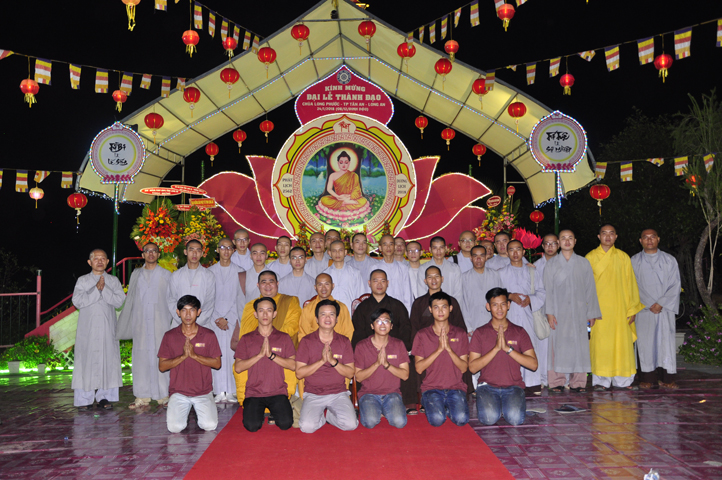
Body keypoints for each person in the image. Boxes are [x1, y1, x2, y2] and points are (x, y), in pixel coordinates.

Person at [586, 224, 645, 391]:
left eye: (611, 233)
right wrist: (588, 310)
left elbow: (631, 284)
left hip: (620, 310)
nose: (608, 236)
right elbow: (585, 287)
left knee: (621, 346)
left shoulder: (623, 257)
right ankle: (601, 381)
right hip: (599, 311)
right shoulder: (590, 257)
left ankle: (623, 381)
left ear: (616, 237)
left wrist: (632, 309)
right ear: (599, 236)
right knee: (600, 346)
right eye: (604, 233)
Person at [469, 288, 538, 426]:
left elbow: (533, 365)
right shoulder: (480, 333)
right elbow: (472, 368)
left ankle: (505, 406)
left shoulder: (519, 331)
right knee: (488, 418)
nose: (499, 309)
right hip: (487, 386)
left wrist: (508, 349)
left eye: (503, 304)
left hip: (513, 386)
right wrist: (496, 349)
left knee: (515, 419)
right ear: (488, 307)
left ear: (508, 305)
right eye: (495, 305)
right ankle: (499, 406)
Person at [116, 242, 172, 409]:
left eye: (154, 251)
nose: (151, 254)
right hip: (140, 324)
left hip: (160, 323)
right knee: (140, 358)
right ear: (142, 255)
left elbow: (171, 300)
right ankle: (142, 396)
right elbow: (131, 299)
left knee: (162, 356)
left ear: (158, 254)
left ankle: (163, 395)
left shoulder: (167, 275)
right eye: (147, 251)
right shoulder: (136, 274)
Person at [544, 230, 601, 393]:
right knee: (557, 346)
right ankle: (557, 381)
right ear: (558, 243)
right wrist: (549, 312)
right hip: (558, 311)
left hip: (579, 312)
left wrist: (591, 313)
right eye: (563, 238)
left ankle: (578, 382)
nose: (567, 241)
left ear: (575, 241)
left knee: (579, 346)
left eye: (570, 238)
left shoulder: (583, 263)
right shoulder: (552, 264)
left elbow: (591, 289)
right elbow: (548, 290)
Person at [232, 271, 301, 404]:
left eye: (271, 281)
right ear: (258, 285)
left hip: (282, 351)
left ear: (277, 284)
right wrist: (260, 349)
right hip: (255, 352)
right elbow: (245, 332)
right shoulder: (250, 306)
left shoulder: (290, 301)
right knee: (239, 367)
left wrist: (271, 341)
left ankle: (283, 401)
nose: (268, 285)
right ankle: (250, 401)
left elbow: (292, 327)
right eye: (264, 282)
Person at [409, 265, 468, 413]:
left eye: (436, 276)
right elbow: (414, 327)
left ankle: (458, 396)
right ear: (425, 280)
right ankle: (426, 399)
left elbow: (460, 325)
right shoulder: (419, 303)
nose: (433, 280)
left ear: (442, 279)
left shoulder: (451, 301)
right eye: (430, 277)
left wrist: (452, 343)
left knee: (461, 418)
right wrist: (417, 347)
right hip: (425, 344)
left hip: (452, 342)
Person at [158, 295, 221, 433]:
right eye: (184, 310)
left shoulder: (208, 335)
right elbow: (162, 366)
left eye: (192, 310)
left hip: (203, 392)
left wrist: (194, 356)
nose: (187, 314)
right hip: (179, 392)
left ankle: (201, 411)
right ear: (178, 312)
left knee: (210, 425)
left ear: (198, 312)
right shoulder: (170, 336)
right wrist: (183, 356)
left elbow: (217, 364)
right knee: (175, 428)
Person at [72, 249, 126, 411]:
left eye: (103, 258)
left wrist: (104, 289)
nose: (100, 261)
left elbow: (119, 301)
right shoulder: (82, 280)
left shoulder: (113, 281)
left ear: (108, 262)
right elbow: (78, 302)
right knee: (85, 362)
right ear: (90, 262)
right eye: (96, 259)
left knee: (108, 362)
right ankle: (84, 399)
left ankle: (105, 397)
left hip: (107, 330)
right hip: (87, 331)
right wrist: (96, 289)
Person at [234, 297, 296, 432]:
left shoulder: (284, 337)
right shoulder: (246, 338)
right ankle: (259, 414)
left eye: (269, 310)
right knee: (252, 426)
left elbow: (293, 365)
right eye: (261, 311)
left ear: (274, 314)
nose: (265, 314)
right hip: (254, 392)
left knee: (285, 424)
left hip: (278, 391)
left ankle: (273, 411)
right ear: (255, 314)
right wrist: (259, 355)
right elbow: (238, 368)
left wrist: (271, 356)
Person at [296, 299, 358, 433]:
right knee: (307, 427)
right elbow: (299, 373)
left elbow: (350, 373)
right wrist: (321, 361)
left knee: (351, 425)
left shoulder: (344, 341)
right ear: (317, 319)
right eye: (323, 314)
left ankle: (330, 416)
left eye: (332, 314)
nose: (328, 318)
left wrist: (333, 361)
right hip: (314, 393)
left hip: (338, 393)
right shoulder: (306, 341)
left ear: (337, 319)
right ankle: (321, 418)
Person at [631, 228, 681, 390]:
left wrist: (661, 303)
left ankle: (667, 378)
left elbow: (675, 284)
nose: (649, 240)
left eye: (652, 237)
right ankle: (647, 378)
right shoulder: (634, 261)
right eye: (645, 237)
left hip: (664, 309)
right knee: (645, 344)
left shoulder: (669, 260)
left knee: (665, 344)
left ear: (658, 239)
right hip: (644, 309)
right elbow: (631, 285)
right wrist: (648, 303)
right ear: (640, 241)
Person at [497, 239, 547, 392]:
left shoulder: (532, 271)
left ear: (523, 252)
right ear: (507, 252)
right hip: (509, 315)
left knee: (529, 346)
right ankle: (511, 381)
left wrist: (531, 299)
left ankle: (532, 383)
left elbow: (541, 292)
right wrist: (509, 296)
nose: (515, 253)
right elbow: (495, 294)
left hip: (528, 315)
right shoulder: (500, 273)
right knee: (509, 346)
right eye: (511, 250)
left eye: (518, 249)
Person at [354, 309, 410, 429]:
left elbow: (405, 375)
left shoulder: (398, 344)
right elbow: (358, 377)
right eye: (378, 321)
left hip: (392, 394)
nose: (383, 324)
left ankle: (384, 409)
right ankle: (378, 409)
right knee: (370, 422)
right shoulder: (361, 346)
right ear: (372, 326)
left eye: (386, 321)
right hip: (369, 394)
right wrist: (377, 363)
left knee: (400, 422)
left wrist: (387, 365)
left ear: (391, 326)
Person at [207, 238, 245, 403]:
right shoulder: (209, 272)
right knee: (214, 353)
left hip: (232, 320)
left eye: (230, 248)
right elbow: (207, 298)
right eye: (223, 247)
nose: (226, 251)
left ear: (234, 250)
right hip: (213, 320)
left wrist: (228, 318)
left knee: (230, 354)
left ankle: (230, 390)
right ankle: (217, 390)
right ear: (217, 250)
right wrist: (217, 318)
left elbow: (240, 298)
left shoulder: (240, 272)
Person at [167, 240, 215, 327]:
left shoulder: (209, 276)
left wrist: (195, 323)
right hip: (179, 324)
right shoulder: (176, 275)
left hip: (201, 325)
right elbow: (171, 300)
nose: (194, 254)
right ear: (185, 252)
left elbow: (209, 303)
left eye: (198, 250)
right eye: (191, 250)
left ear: (202, 253)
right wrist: (183, 321)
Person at [316, 151, 371, 222]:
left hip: (350, 198)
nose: (343, 165)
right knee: (324, 199)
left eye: (346, 162)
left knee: (363, 201)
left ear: (349, 163)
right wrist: (338, 196)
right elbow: (329, 189)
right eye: (341, 162)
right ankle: (345, 203)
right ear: (338, 163)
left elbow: (357, 190)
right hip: (338, 198)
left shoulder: (354, 175)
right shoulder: (333, 175)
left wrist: (349, 197)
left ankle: (344, 203)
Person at [298, 273, 354, 342]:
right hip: (314, 346)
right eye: (320, 285)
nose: (323, 288)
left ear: (333, 286)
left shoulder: (342, 307)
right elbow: (303, 335)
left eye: (327, 284)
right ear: (315, 287)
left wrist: (340, 346)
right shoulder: (308, 309)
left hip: (338, 345)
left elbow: (349, 332)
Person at [461, 245, 502, 335]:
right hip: (473, 323)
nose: (478, 259)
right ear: (471, 258)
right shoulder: (464, 277)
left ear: (486, 257)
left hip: (494, 322)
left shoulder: (495, 275)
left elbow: (501, 299)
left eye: (482, 256)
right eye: (475, 256)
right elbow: (463, 304)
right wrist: (468, 327)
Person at [375, 235, 414, 313]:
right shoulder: (375, 268)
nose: (388, 247)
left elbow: (408, 294)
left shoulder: (403, 268)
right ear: (380, 248)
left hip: (400, 310)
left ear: (394, 247)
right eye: (385, 244)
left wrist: (408, 313)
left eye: (391, 244)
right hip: (381, 311)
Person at [322, 240, 364, 311]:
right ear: (329, 253)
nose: (337, 253)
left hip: (350, 312)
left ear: (345, 252)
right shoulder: (325, 274)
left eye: (340, 250)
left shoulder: (355, 273)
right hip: (331, 313)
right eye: (334, 251)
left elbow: (360, 296)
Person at [416, 236, 463, 301]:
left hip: (451, 306)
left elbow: (458, 293)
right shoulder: (423, 269)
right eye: (435, 248)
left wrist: (451, 306)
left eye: (441, 247)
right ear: (430, 249)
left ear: (446, 248)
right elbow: (422, 293)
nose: (438, 251)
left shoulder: (455, 268)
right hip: (430, 306)